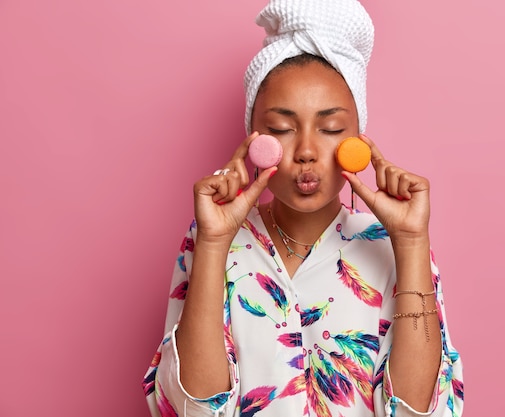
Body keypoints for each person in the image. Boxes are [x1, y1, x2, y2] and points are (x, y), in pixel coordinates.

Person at [142, 1, 463, 416]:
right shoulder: (210, 238)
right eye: (281, 129)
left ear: (357, 142)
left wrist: (412, 242)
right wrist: (215, 243)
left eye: (331, 129)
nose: (307, 151)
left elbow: (422, 411)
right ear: (254, 137)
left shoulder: (392, 244)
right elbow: (190, 409)